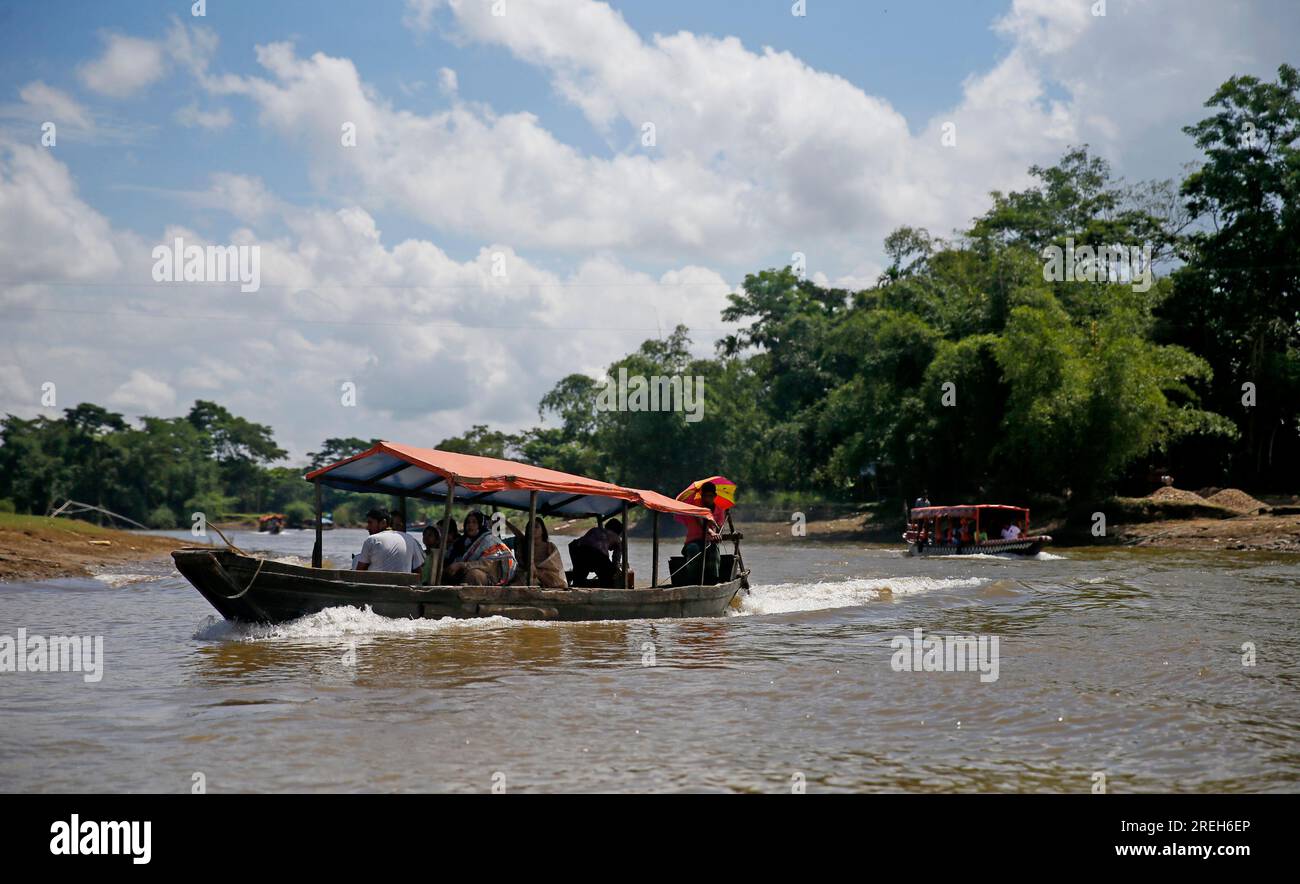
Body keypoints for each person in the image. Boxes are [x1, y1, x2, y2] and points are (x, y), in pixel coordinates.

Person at [446, 510, 517, 586]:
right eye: (468, 522)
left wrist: (462, 565)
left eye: (474, 522)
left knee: (473, 575)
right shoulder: (462, 542)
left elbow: (487, 565)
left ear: (480, 525)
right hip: (465, 573)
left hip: (491, 577)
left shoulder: (489, 540)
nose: (470, 525)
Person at [680, 482, 726, 585]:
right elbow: (702, 524)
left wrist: (717, 534)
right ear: (701, 495)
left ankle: (713, 582)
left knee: (714, 550)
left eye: (710, 496)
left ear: (714, 496)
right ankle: (692, 583)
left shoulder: (719, 510)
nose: (707, 499)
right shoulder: (696, 508)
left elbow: (719, 528)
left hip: (709, 543)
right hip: (693, 542)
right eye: (705, 496)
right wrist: (711, 532)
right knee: (693, 549)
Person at [355, 507, 423, 573]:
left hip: (377, 584)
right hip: (403, 584)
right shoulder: (410, 539)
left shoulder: (372, 540)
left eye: (370, 523)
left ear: (383, 523)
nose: (367, 527)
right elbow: (418, 572)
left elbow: (358, 573)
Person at [507, 516, 568, 588]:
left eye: (536, 527)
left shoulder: (549, 547)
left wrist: (537, 571)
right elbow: (518, 533)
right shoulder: (525, 544)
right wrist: (504, 521)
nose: (533, 529)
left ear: (542, 530)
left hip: (548, 579)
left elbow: (555, 568)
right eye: (530, 527)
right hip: (527, 578)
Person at [568, 518, 623, 587]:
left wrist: (576, 565)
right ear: (618, 532)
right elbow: (616, 558)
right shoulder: (616, 537)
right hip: (597, 554)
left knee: (579, 578)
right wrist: (614, 570)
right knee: (608, 578)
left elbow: (574, 544)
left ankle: (577, 586)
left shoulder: (595, 529)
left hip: (579, 551)